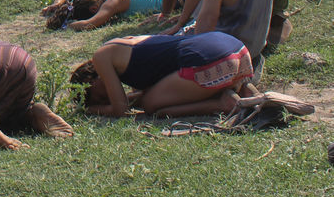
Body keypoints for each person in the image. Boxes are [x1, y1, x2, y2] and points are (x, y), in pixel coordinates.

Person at [69, 30, 254, 118]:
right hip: (236, 49)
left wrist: (90, 110)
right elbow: (142, 96)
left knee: (151, 105)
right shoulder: (125, 49)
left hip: (211, 62)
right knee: (154, 100)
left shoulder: (102, 57)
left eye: (101, 96)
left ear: (89, 79)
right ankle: (241, 91)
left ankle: (221, 103)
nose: (108, 97)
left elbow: (121, 109)